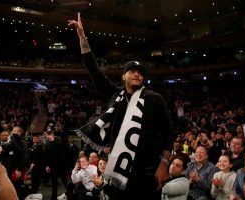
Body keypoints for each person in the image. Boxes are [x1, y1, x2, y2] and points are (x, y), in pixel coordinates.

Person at [68, 13, 173, 200]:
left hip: (147, 172)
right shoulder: (114, 94)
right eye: (132, 71)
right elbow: (93, 68)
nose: (137, 75)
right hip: (119, 170)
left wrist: (164, 164)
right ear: (123, 76)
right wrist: (82, 37)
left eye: (141, 73)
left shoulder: (155, 99)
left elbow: (168, 133)